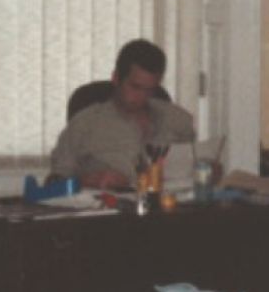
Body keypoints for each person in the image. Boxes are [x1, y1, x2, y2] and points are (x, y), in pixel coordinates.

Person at [49, 39, 195, 190]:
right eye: (135, 87)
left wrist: (205, 173)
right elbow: (53, 183)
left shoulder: (178, 120)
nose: (142, 97)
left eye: (150, 89)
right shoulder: (84, 124)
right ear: (116, 78)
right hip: (111, 209)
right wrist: (87, 180)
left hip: (168, 208)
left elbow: (189, 171)